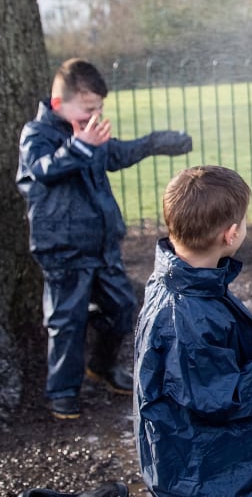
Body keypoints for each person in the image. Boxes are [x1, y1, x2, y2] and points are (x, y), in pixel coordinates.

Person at [16, 58, 193, 420]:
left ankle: (102, 365)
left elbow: (116, 154)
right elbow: (42, 171)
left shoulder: (90, 136)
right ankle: (62, 391)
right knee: (67, 321)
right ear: (58, 103)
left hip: (102, 245)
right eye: (88, 108)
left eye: (98, 108)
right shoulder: (38, 134)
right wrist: (80, 145)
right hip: (62, 248)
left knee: (122, 308)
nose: (94, 115)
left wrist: (157, 143)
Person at [134, 165, 252, 497]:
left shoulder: (183, 281)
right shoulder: (188, 313)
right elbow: (224, 398)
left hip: (196, 460)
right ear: (230, 234)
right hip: (205, 474)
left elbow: (211, 359)